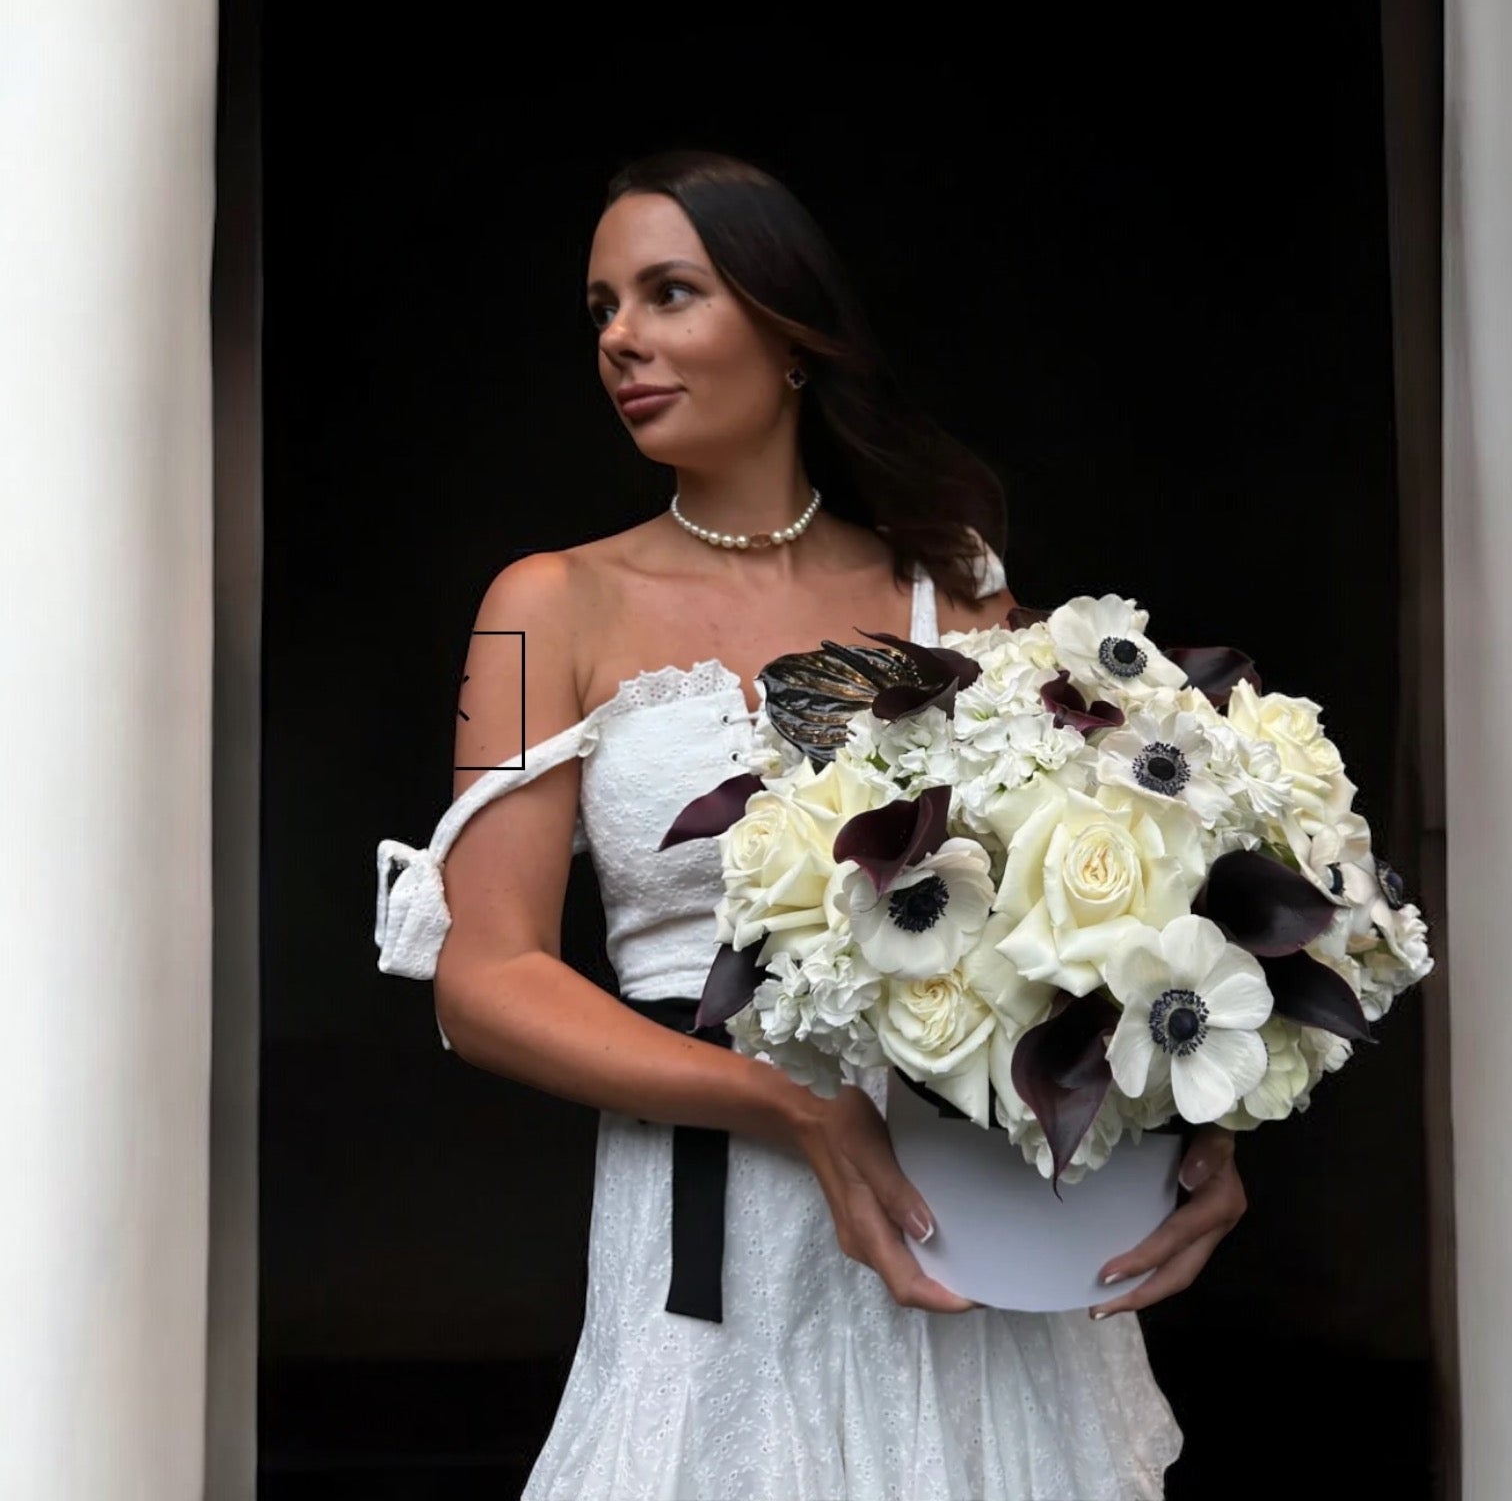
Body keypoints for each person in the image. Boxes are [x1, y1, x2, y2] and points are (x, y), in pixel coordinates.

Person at [373, 149, 1247, 1499]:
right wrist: (786, 1106)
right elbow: (487, 979)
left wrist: (1201, 1124)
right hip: (717, 1235)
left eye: (669, 294)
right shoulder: (548, 603)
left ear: (787, 334)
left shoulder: (948, 589)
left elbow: (1115, 912)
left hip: (972, 1200)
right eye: (601, 307)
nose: (622, 340)